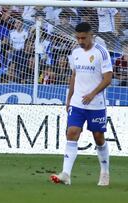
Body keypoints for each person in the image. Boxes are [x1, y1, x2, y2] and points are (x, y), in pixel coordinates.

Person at [50, 22, 112, 186]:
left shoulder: (101, 52)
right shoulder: (75, 52)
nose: (80, 41)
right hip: (78, 102)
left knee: (98, 137)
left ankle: (105, 172)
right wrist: (69, 98)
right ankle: (66, 174)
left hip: (96, 103)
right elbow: (74, 76)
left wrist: (92, 94)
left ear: (91, 35)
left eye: (83, 37)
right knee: (71, 132)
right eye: (78, 38)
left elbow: (108, 78)